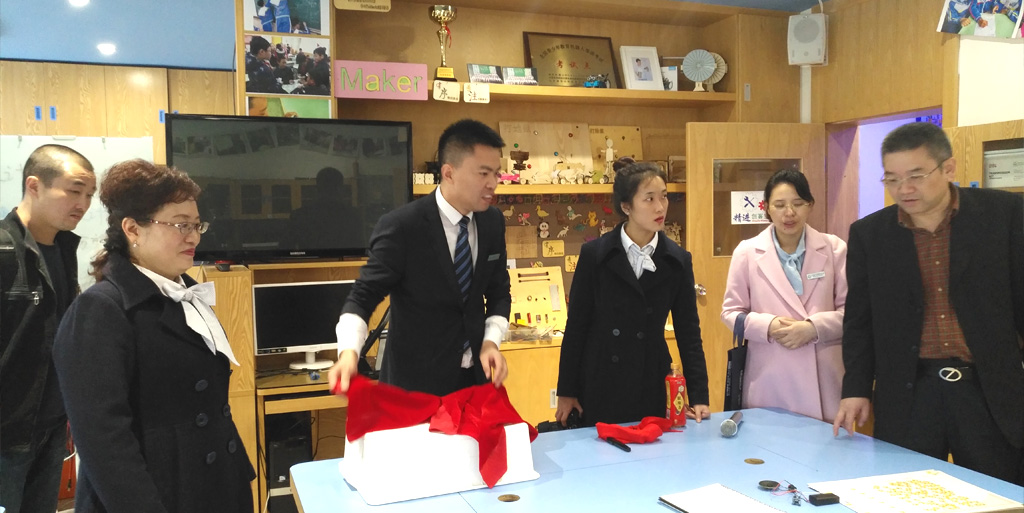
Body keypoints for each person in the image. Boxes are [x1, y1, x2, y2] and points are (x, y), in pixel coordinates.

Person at [52, 160, 256, 511]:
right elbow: (105, 442)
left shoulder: (185, 295)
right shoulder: (100, 310)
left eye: (196, 225)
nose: (193, 236)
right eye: (180, 224)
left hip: (216, 487)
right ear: (133, 229)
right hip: (158, 496)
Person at [833, 122, 1024, 486]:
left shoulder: (1005, 215)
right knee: (908, 493)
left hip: (988, 390)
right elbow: (859, 320)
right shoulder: (870, 234)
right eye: (892, 179)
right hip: (910, 391)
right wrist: (856, 387)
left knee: (996, 493)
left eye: (916, 176)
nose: (904, 189)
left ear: (948, 168)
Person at [328, 119, 511, 396]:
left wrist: (490, 342)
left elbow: (499, 292)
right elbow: (363, 295)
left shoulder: (492, 222)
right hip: (414, 388)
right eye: (483, 173)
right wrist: (348, 353)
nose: (493, 184)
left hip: (475, 382)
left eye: (496, 173)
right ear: (448, 173)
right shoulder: (403, 226)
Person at [555, 158, 710, 426]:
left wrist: (699, 395)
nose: (660, 207)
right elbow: (577, 326)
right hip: (601, 379)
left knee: (653, 448)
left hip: (651, 378)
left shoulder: (677, 260)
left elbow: (688, 333)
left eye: (664, 196)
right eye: (649, 199)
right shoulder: (595, 254)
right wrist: (566, 391)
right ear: (626, 206)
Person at [1, 145, 95, 513]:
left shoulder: (63, 248)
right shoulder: (4, 249)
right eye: (74, 191)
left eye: (89, 195)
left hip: (51, 424)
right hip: (7, 432)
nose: (83, 204)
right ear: (34, 185)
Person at [720, 169, 847, 422]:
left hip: (824, 378)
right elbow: (731, 313)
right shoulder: (747, 252)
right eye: (779, 205)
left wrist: (814, 328)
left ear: (810, 205)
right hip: (770, 376)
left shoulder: (834, 249)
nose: (789, 213)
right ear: (766, 208)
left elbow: (852, 312)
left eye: (798, 203)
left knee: (825, 445)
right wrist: (769, 326)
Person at [287, 167, 361, 249]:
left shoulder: (299, 215)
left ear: (316, 189)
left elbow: (285, 249)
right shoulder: (353, 215)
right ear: (340, 189)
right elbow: (360, 249)